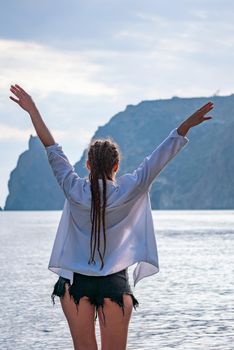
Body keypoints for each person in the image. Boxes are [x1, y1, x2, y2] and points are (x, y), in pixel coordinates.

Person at [9, 84, 213, 350]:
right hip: (114, 285)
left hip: (74, 284)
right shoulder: (130, 188)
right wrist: (184, 127)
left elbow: (52, 149)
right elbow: (158, 159)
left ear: (88, 165)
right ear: (116, 166)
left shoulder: (73, 188)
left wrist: (32, 110)